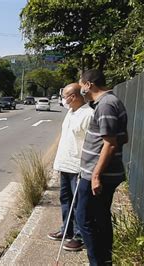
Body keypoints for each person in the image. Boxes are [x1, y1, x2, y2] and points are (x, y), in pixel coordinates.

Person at [77, 69, 128, 265]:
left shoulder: (106, 105)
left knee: (85, 219)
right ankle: (105, 259)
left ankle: (97, 261)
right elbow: (122, 138)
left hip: (98, 176)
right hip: (103, 174)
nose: (81, 88)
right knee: (100, 218)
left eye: (81, 84)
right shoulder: (109, 103)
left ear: (89, 84)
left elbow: (111, 143)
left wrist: (96, 175)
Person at [48, 83, 93, 252]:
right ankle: (66, 230)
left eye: (65, 96)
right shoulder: (71, 111)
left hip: (78, 167)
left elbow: (93, 143)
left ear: (73, 97)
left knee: (79, 203)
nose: (63, 99)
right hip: (65, 165)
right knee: (65, 200)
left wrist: (86, 167)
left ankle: (79, 236)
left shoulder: (88, 114)